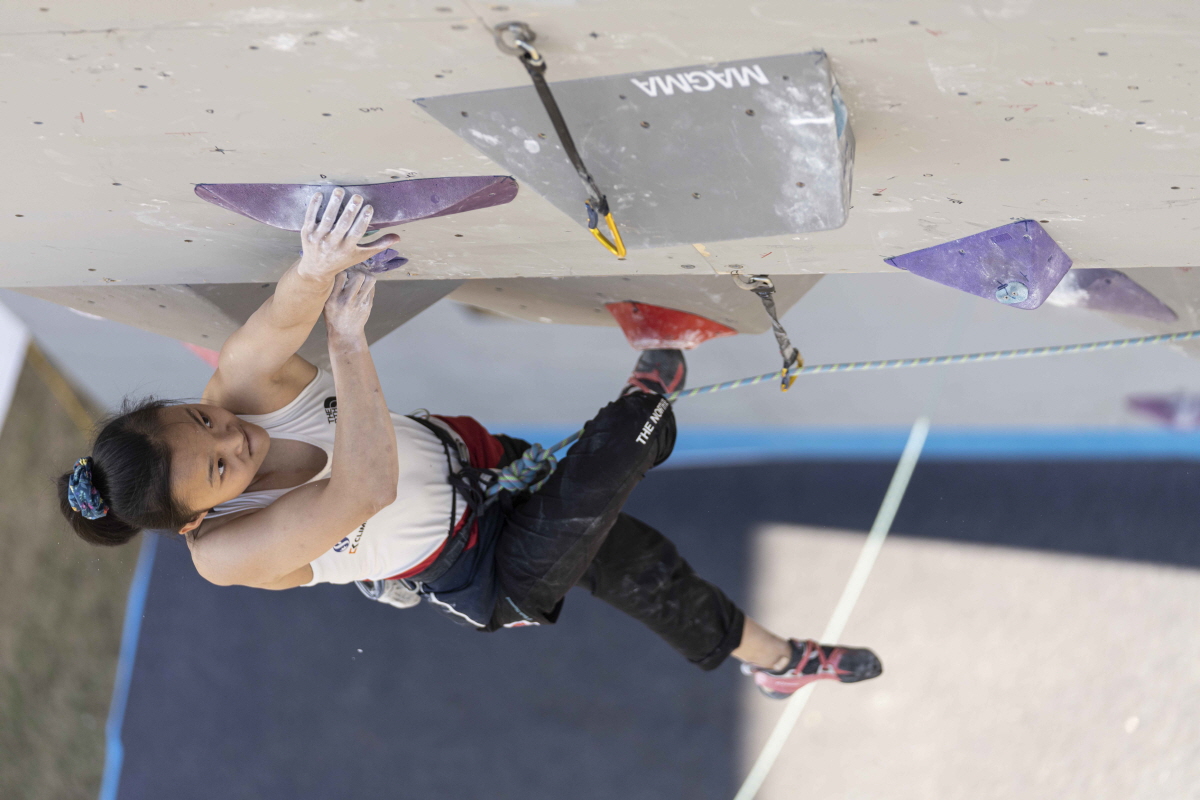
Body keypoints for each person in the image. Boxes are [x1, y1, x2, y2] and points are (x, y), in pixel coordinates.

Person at [58, 189, 882, 698]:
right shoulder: (223, 554)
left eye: (202, 422)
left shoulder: (235, 395)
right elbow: (362, 492)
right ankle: (653, 383)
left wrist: (317, 266)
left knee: (645, 567)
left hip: (482, 463)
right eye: (217, 469)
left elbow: (280, 315)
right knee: (608, 466)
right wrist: (349, 341)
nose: (231, 437)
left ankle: (775, 661)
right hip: (479, 567)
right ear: (198, 515)